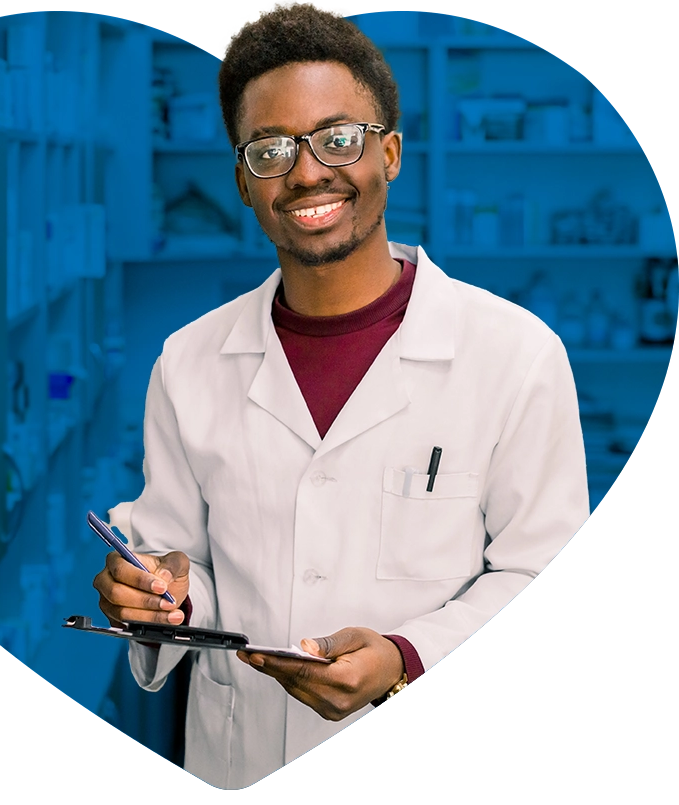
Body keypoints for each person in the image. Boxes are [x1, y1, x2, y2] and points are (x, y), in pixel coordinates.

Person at [93, 2, 589, 790]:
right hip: (245, 760)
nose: (306, 172)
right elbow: (181, 563)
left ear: (388, 153)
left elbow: (546, 577)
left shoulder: (516, 356)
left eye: (337, 138)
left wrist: (407, 658)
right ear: (243, 183)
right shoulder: (187, 364)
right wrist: (157, 595)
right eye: (270, 149)